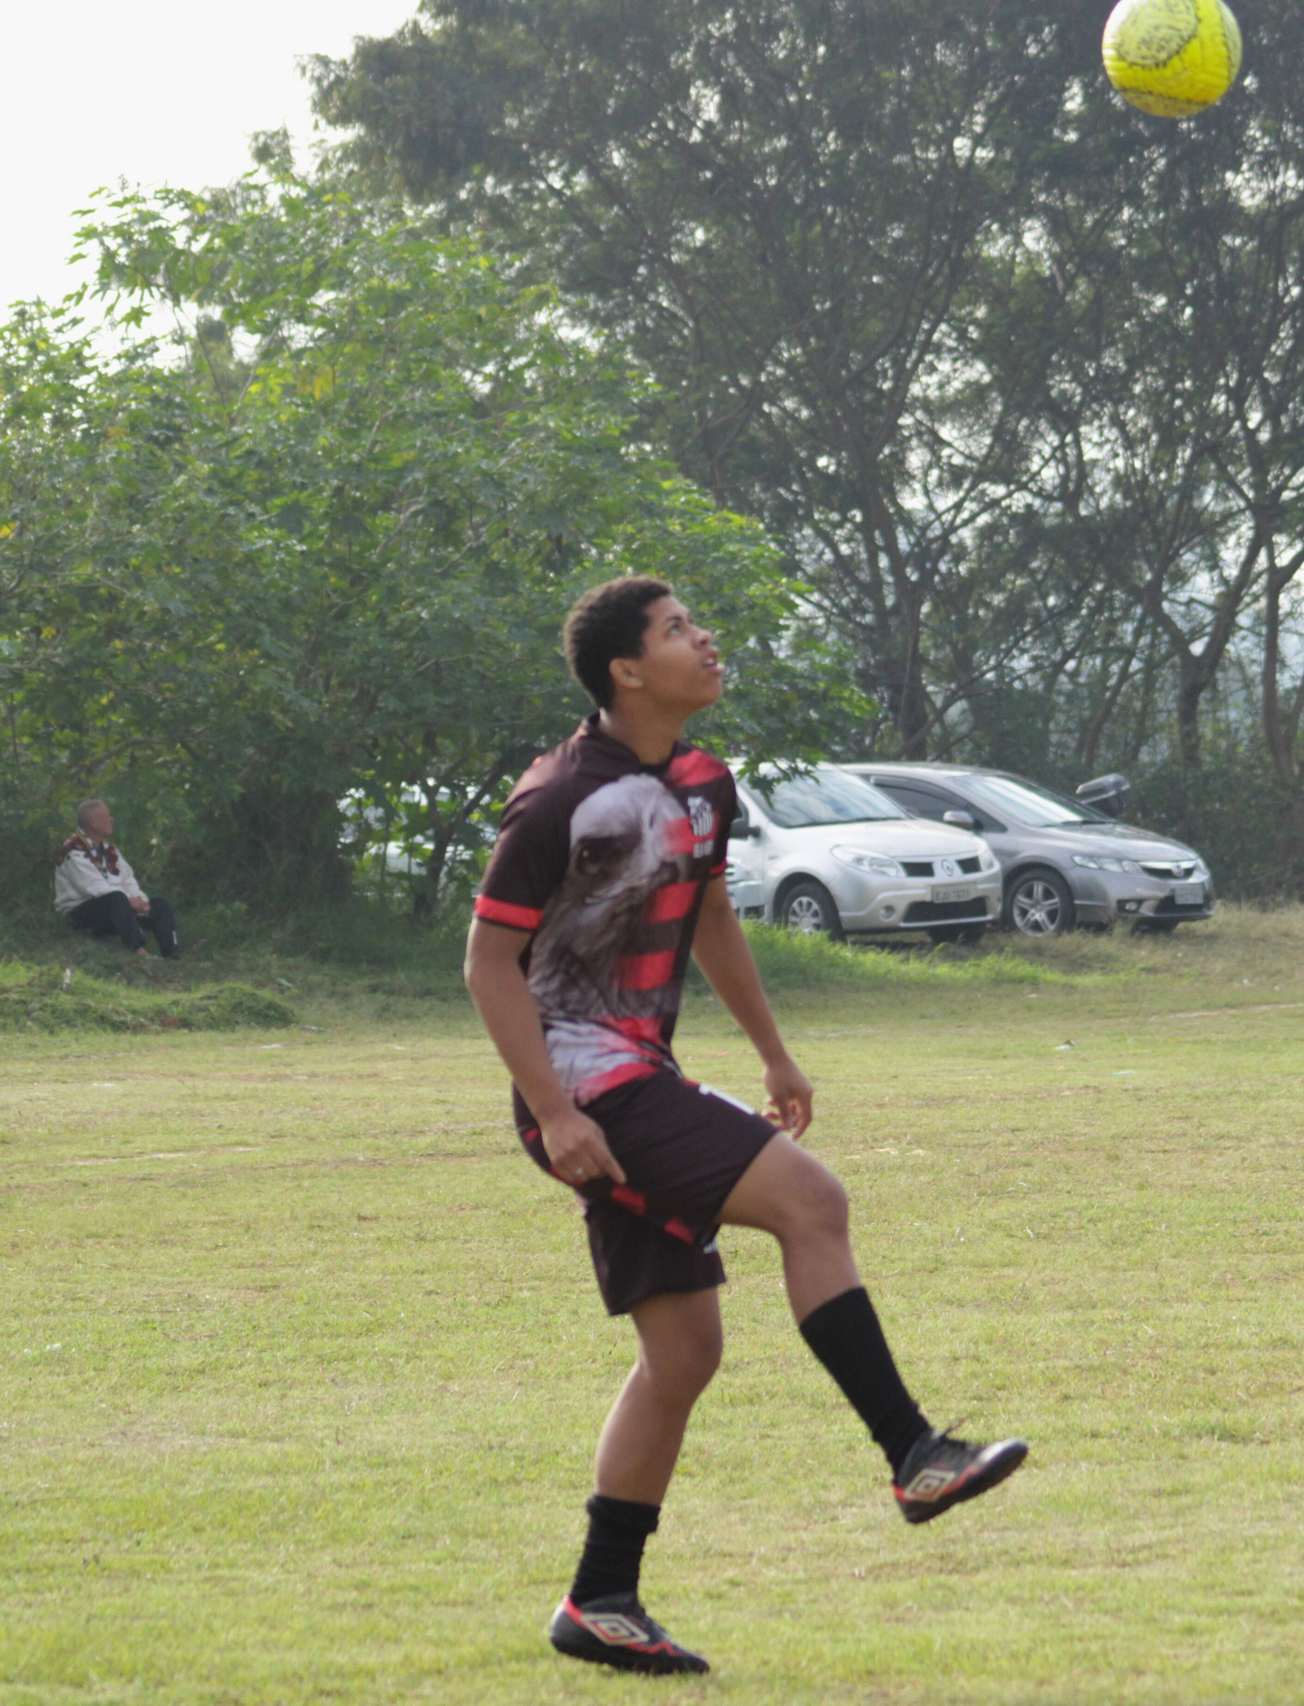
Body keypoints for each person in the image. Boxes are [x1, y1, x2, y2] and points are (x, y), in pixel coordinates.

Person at [463, 577, 1026, 1678]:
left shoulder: (702, 780)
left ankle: (599, 1598)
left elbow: (711, 911)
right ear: (626, 670)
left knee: (683, 1351)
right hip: (587, 1087)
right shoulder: (556, 798)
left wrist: (772, 1051)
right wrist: (552, 1108)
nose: (705, 638)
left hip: (638, 1072)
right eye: (677, 629)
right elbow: (487, 961)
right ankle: (915, 1453)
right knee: (812, 1200)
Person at [54, 801, 182, 959]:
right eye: (106, 816)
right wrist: (129, 901)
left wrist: (140, 900)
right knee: (116, 898)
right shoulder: (72, 850)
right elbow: (92, 887)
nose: (111, 819)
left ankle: (172, 956)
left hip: (117, 907)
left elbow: (127, 879)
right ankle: (138, 952)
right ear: (93, 823)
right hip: (81, 913)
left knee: (160, 905)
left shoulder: (109, 849)